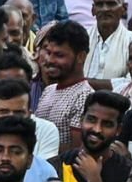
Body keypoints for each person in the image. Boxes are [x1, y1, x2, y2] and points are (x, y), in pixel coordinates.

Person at [33, 21, 92, 152]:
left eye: (59, 55)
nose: (50, 60)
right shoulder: (49, 90)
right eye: (49, 53)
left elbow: (76, 150)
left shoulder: (84, 96)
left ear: (81, 57)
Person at [82, 0, 132, 83]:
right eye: (99, 4)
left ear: (124, 9)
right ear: (93, 10)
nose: (105, 9)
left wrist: (84, 83)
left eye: (111, 4)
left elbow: (130, 84)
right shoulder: (80, 39)